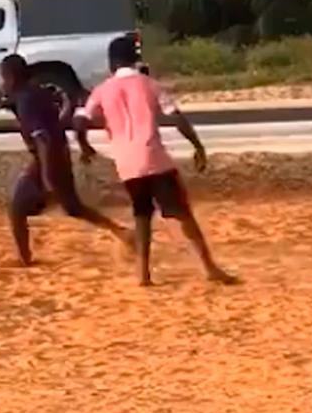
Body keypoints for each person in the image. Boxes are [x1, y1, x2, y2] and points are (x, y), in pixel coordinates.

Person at [74, 36, 237, 286]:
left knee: (141, 215)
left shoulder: (102, 90)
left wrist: (85, 145)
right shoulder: (149, 85)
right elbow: (177, 117)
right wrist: (198, 146)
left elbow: (81, 120)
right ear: (135, 59)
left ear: (111, 63)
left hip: (127, 165)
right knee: (183, 214)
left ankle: (143, 274)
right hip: (154, 159)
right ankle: (210, 267)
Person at [0, 54, 132, 266]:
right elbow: (56, 120)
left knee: (17, 207)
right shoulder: (35, 93)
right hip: (58, 153)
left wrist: (46, 174)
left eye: (4, 78)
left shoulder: (26, 101)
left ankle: (24, 259)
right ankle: (123, 233)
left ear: (11, 77)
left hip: (48, 157)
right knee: (73, 207)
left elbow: (42, 139)